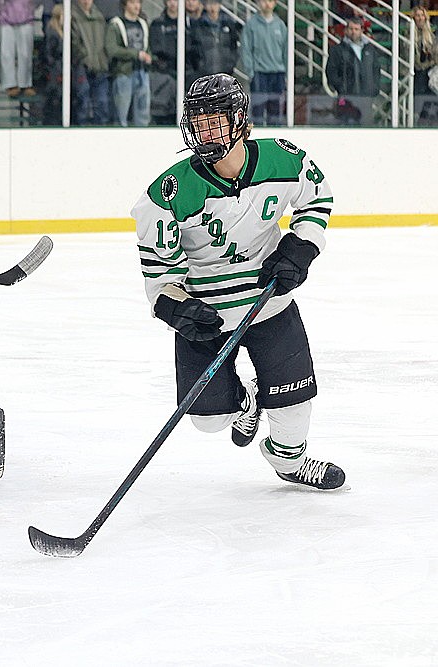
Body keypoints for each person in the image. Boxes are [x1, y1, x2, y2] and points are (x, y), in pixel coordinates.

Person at [130, 73, 345, 491]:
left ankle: (289, 463)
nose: (205, 131)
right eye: (199, 121)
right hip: (208, 314)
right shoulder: (168, 193)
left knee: (295, 403)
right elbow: (160, 273)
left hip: (270, 304)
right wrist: (177, 308)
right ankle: (245, 401)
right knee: (208, 421)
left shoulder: (283, 159)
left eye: (216, 120)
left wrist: (300, 248)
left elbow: (316, 197)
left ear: (242, 122)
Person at [325, 17, 381, 126]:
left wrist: (374, 87)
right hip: (346, 98)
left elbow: (376, 70)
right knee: (345, 126)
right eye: (351, 29)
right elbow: (331, 71)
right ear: (346, 30)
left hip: (366, 96)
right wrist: (341, 87)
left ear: (361, 31)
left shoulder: (370, 49)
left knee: (366, 128)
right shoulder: (337, 50)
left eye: (356, 29)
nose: (353, 32)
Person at [240, 0, 287, 126]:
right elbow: (246, 49)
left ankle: (275, 142)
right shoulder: (251, 25)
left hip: (278, 73)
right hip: (259, 73)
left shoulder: (280, 25)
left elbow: (286, 50)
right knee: (257, 112)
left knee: (276, 112)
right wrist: (251, 72)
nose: (267, 3)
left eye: (270, 0)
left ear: (275, 3)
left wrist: (286, 71)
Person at [105, 0, 151, 127]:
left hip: (142, 72)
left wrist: (149, 57)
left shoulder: (143, 24)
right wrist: (136, 54)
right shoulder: (116, 24)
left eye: (138, 2)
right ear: (125, 5)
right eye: (132, 2)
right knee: (121, 113)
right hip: (124, 73)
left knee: (143, 114)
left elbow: (147, 46)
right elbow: (112, 49)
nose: (137, 6)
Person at [72, 0, 111, 125]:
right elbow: (74, 42)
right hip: (82, 67)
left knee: (102, 103)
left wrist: (104, 59)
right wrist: (84, 57)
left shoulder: (99, 17)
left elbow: (105, 41)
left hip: (100, 66)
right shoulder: (72, 16)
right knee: (83, 102)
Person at [188, 0, 239, 81]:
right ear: (205, 6)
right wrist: (200, 66)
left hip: (225, 74)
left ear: (219, 5)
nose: (212, 7)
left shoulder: (229, 24)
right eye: (209, 4)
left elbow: (234, 46)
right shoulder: (198, 26)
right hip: (204, 74)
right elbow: (194, 49)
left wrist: (230, 65)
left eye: (215, 3)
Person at [0, 0, 36, 97]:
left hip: (26, 16)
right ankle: (10, 84)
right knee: (6, 53)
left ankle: (25, 84)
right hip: (5, 17)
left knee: (25, 53)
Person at [148, 0, 179, 126]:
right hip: (163, 73)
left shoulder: (187, 23)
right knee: (162, 112)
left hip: (185, 73)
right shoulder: (157, 23)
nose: (172, 3)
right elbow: (155, 48)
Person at [411, 4, 436, 97]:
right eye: (418, 15)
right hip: (415, 71)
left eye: (422, 15)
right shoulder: (408, 35)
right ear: (414, 18)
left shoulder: (431, 36)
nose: (420, 18)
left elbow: (435, 55)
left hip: (428, 71)